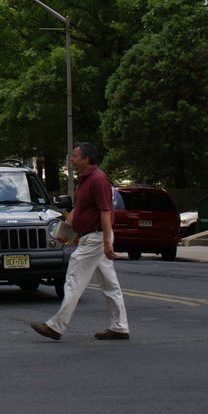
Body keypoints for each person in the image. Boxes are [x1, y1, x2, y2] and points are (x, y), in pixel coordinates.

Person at [32, 143, 129, 341]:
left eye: (75, 156)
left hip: (96, 238)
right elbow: (79, 210)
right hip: (92, 236)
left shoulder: (98, 179)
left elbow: (105, 211)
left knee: (74, 279)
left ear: (86, 159)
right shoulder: (84, 180)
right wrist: (67, 231)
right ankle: (120, 327)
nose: (71, 159)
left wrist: (107, 241)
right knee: (110, 285)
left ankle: (56, 326)